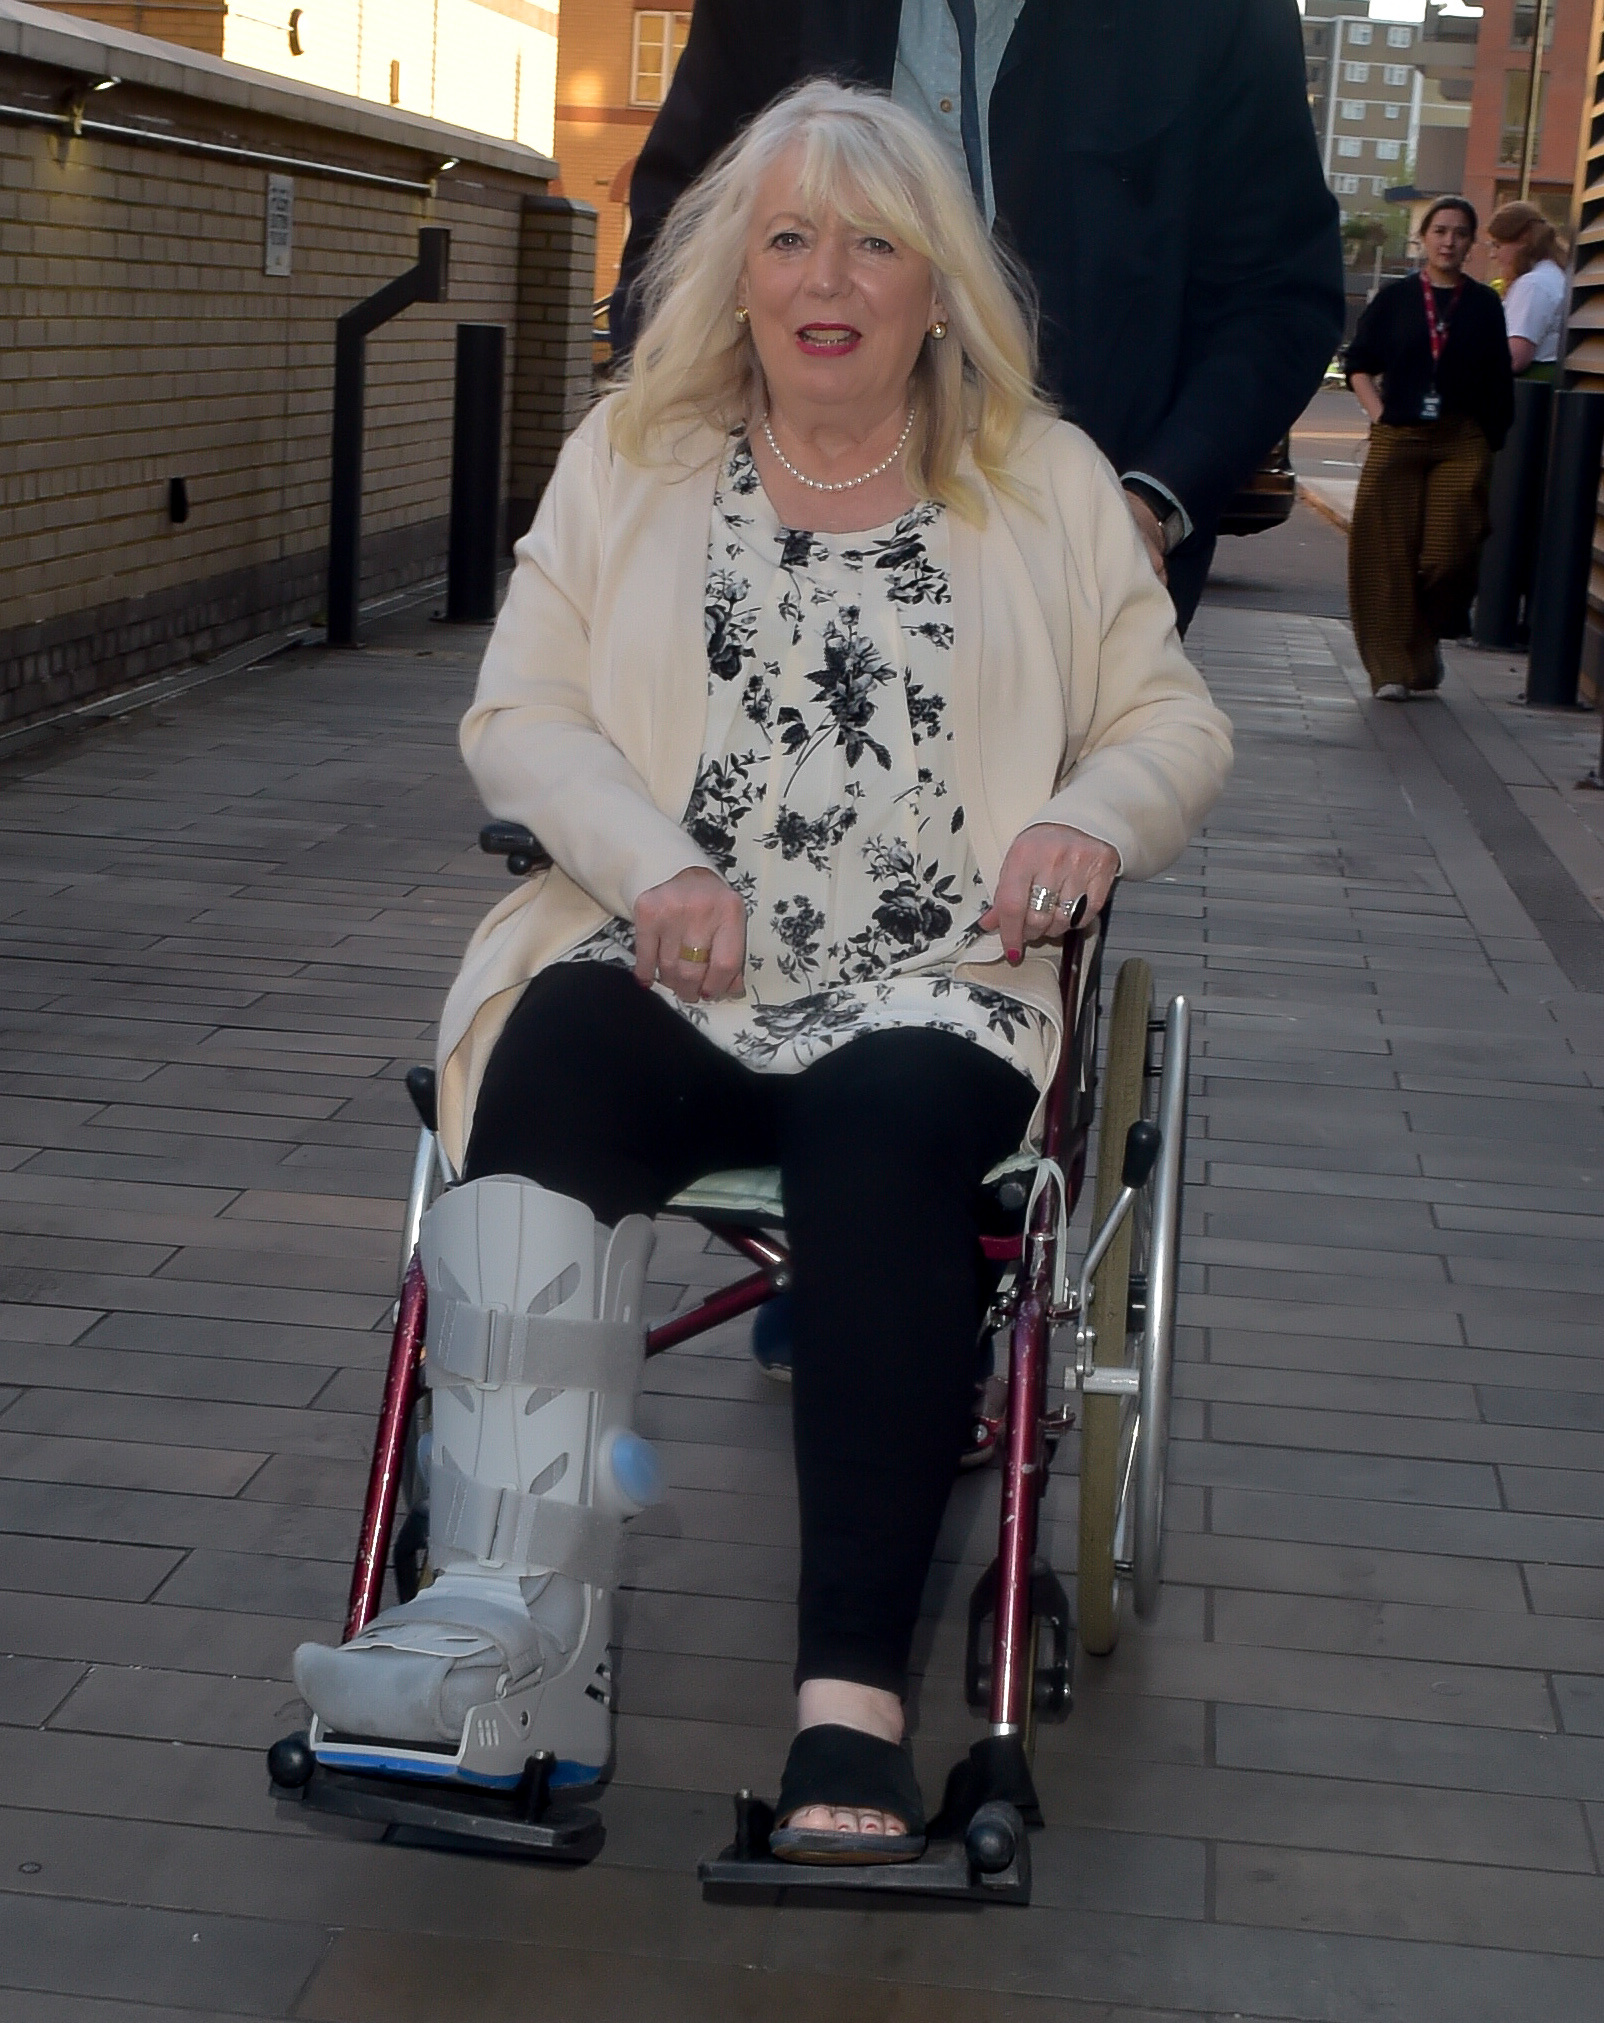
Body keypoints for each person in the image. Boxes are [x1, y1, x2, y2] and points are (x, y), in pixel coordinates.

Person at [293, 84, 1231, 1863]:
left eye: (874, 243)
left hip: (932, 980)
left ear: (935, 287)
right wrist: (652, 864)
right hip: (676, 956)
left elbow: (1164, 719)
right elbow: (523, 712)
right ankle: (509, 1625)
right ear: (732, 274)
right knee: (553, 1053)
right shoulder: (630, 460)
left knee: (882, 1129)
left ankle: (848, 1706)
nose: (826, 279)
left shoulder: (1037, 479)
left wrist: (1087, 820)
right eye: (787, 237)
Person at [609, 0, 1344, 636]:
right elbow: (678, 242)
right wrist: (692, 466)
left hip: (1067, 594)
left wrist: (1148, 503)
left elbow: (1277, 294)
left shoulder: (1217, 18)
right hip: (772, 567)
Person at [1345, 197, 1515, 701]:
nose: (1449, 241)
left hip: (1459, 438)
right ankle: (1392, 669)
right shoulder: (1396, 300)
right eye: (1440, 230)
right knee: (1383, 556)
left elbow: (1498, 380)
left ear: (1471, 243)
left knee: (1449, 551)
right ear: (1423, 237)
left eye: (1460, 233)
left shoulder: (1483, 305)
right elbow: (1359, 363)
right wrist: (1379, 414)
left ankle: (1427, 634)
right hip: (1399, 436)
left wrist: (1490, 438)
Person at [1486, 200, 1568, 380]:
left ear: (1524, 239)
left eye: (1498, 245)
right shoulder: (1555, 274)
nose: (1493, 255)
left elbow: (1514, 358)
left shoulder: (1532, 285)